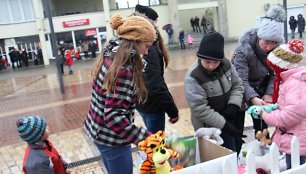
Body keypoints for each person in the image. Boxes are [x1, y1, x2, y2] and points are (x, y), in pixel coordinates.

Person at [83, 13, 156, 174]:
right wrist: (145, 137)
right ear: (135, 42)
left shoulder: (111, 55)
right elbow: (113, 116)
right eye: (146, 46)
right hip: (112, 139)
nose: (148, 52)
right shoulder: (124, 68)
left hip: (98, 130)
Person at [184, 32, 244, 153]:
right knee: (215, 157)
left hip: (228, 118)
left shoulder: (226, 64)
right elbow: (200, 109)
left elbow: (237, 85)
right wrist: (224, 124)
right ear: (199, 57)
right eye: (207, 62)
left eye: (215, 62)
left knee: (232, 152)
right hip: (208, 127)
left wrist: (233, 105)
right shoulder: (193, 77)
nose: (211, 66)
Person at [231, 5, 285, 136]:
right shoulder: (243, 50)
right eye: (267, 42)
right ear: (260, 37)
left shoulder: (275, 51)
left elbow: (275, 74)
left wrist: (269, 93)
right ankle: (236, 149)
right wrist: (252, 98)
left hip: (261, 88)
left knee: (262, 127)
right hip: (239, 89)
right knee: (237, 127)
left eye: (274, 43)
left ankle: (264, 147)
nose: (269, 47)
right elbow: (240, 80)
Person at [133, 4, 179, 134]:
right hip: (152, 105)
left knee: (153, 142)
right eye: (155, 22)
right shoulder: (149, 50)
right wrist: (172, 110)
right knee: (156, 146)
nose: (157, 26)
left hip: (142, 103)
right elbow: (156, 85)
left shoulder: (136, 46)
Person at [261, 39, 306, 169]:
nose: (274, 72)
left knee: (296, 170)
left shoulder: (296, 84)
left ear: (282, 67)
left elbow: (290, 115)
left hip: (299, 144)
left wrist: (266, 115)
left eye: (274, 68)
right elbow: (288, 107)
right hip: (295, 140)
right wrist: (270, 108)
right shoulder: (291, 80)